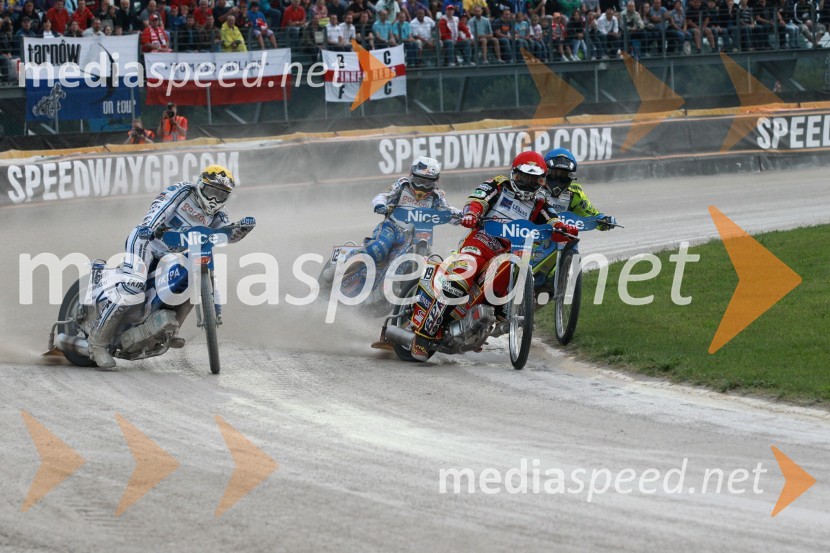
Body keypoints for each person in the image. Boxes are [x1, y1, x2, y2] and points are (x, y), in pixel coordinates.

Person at [407, 151, 579, 361]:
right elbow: (477, 199)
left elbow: (552, 218)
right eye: (524, 177)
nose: (528, 183)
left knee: (505, 287)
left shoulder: (540, 201)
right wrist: (472, 213)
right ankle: (423, 336)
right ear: (514, 174)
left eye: (534, 179)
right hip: (481, 241)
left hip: (511, 251)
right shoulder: (499, 185)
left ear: (542, 179)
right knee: (460, 280)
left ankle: (479, 326)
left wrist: (562, 228)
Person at [86, 165, 256, 369]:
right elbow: (160, 207)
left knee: (190, 281)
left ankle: (170, 330)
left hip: (172, 254)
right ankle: (97, 344)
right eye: (211, 191)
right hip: (147, 242)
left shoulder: (220, 215)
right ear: (201, 185)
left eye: (221, 195)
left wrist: (242, 230)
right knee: (133, 285)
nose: (214, 199)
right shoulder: (184, 191)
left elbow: (224, 236)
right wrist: (149, 227)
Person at [363, 156, 461, 266]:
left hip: (416, 236)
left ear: (435, 181)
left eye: (427, 183)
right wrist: (379, 204)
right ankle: (354, 256)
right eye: (419, 181)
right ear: (411, 175)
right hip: (391, 228)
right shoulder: (402, 185)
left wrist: (463, 215)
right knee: (378, 249)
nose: (422, 186)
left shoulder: (436, 196)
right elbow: (384, 196)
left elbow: (448, 210)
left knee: (413, 263)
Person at [542, 148, 616, 229]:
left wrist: (603, 220)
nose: (559, 178)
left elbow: (591, 214)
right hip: (535, 238)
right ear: (546, 172)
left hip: (564, 237)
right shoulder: (535, 189)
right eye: (555, 173)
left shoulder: (575, 194)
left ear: (570, 176)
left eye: (563, 175)